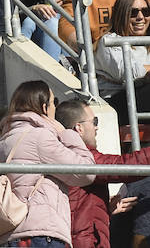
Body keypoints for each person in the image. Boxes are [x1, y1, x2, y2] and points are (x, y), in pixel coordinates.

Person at [0, 80, 95, 248]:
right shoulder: (40, 137)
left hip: (6, 236)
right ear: (44, 108)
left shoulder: (1, 142)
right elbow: (86, 172)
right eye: (54, 102)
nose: (55, 109)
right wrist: (66, 133)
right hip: (39, 234)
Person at [56, 96, 150, 248]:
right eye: (94, 122)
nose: (97, 127)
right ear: (79, 128)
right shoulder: (79, 157)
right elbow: (125, 165)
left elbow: (77, 207)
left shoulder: (64, 153)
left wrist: (105, 208)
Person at [93, 0, 150, 122]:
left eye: (146, 12)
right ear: (121, 15)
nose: (140, 17)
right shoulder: (109, 41)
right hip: (116, 104)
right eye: (133, 12)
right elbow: (131, 73)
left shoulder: (147, 42)